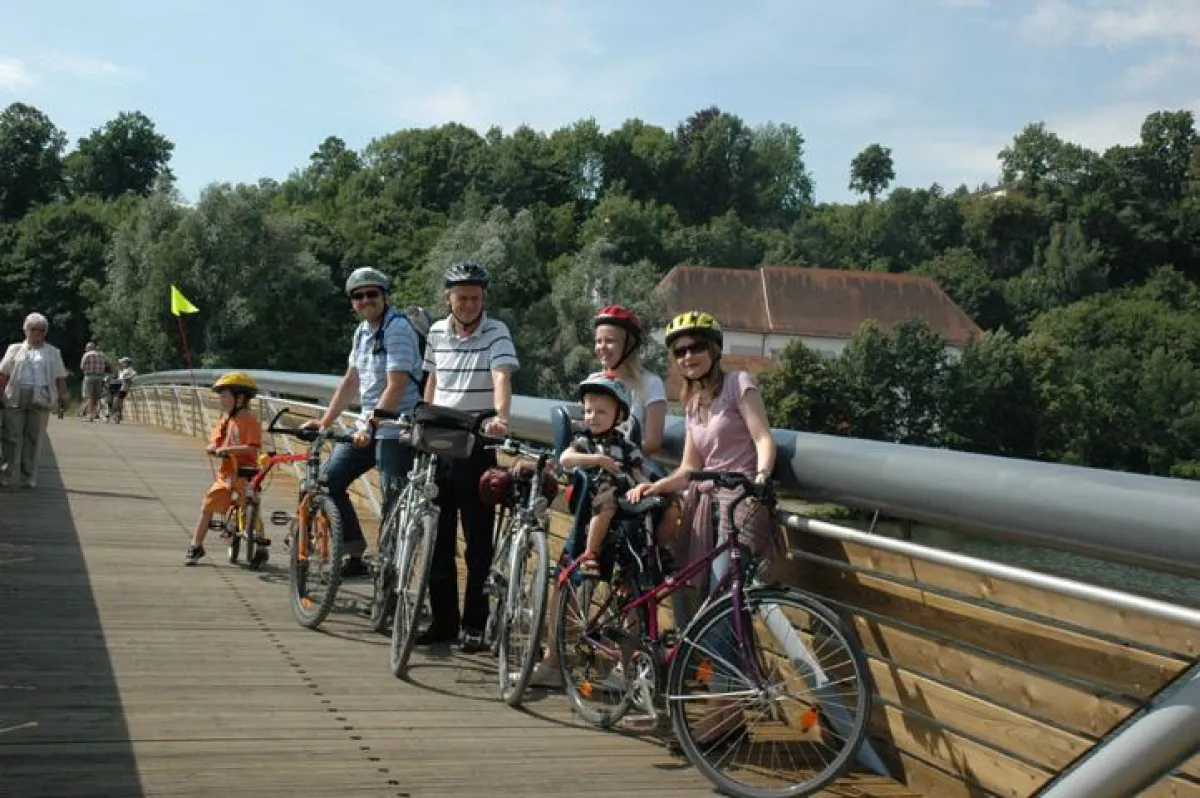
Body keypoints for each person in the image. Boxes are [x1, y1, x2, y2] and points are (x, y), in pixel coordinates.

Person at [625, 310, 780, 741]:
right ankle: (724, 708)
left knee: (719, 608)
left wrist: (762, 481)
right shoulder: (693, 403)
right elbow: (692, 467)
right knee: (703, 604)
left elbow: (763, 439)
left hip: (741, 502)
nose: (688, 356)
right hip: (703, 505)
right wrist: (656, 488)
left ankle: (723, 714)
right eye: (679, 351)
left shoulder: (739, 384)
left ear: (713, 350)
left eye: (695, 347)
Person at [421, 260, 517, 651]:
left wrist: (502, 417)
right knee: (436, 538)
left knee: (477, 542)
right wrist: (422, 417)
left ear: (484, 298)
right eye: (461, 298)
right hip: (440, 440)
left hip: (477, 443)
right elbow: (433, 378)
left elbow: (501, 376)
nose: (468, 305)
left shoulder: (496, 331)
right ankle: (443, 622)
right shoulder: (436, 332)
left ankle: (475, 625)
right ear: (448, 298)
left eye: (475, 298)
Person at [301, 267, 421, 577]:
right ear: (352, 302)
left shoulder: (398, 329)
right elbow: (350, 381)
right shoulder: (362, 332)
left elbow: (396, 386)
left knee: (393, 501)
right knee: (328, 481)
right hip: (368, 427)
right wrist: (325, 422)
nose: (365, 300)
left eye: (372, 294)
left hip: (397, 427)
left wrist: (371, 425)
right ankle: (354, 555)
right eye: (358, 296)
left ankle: (390, 574)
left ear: (384, 296)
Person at [559, 373, 651, 577]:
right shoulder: (584, 440)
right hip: (596, 493)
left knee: (662, 502)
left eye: (601, 412)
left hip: (627, 494)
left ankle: (654, 553)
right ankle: (590, 554)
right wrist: (598, 460)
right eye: (588, 411)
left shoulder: (627, 446)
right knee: (609, 491)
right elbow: (565, 458)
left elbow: (638, 470)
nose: (592, 417)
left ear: (618, 416)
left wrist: (643, 485)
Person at [185, 372, 264, 565]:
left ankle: (261, 548)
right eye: (221, 396)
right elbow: (215, 440)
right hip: (226, 475)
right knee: (207, 505)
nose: (222, 400)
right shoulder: (226, 419)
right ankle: (196, 546)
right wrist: (213, 447)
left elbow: (252, 448)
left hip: (246, 473)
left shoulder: (250, 421)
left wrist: (228, 449)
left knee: (252, 508)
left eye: (225, 396)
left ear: (240, 398)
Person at [0, 313, 69, 488]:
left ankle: (28, 476)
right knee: (11, 436)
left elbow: (60, 377)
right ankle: (6, 474)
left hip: (41, 396)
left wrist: (63, 396)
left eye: (41, 330)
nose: (37, 333)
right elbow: (3, 374)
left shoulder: (53, 352)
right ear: (26, 330)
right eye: (33, 329)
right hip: (15, 395)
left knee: (34, 437)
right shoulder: (14, 349)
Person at [590, 305, 667, 456]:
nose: (602, 347)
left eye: (610, 341)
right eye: (598, 341)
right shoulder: (592, 382)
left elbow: (652, 443)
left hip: (628, 467)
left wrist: (617, 455)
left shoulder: (651, 384)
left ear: (628, 346)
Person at [79, 342, 109, 421]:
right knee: (96, 397)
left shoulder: (87, 354)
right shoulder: (102, 355)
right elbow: (107, 364)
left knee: (90, 396)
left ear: (88, 348)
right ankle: (95, 413)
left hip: (89, 376)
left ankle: (90, 415)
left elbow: (82, 366)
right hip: (100, 377)